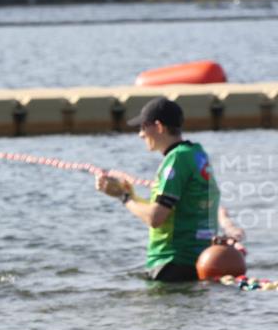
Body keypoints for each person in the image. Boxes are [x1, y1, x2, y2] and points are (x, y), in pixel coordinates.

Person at [96, 97, 225, 282]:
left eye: (142, 127)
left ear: (158, 127)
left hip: (172, 264)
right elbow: (173, 210)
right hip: (199, 262)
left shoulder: (176, 159)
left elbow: (155, 218)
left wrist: (123, 197)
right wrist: (132, 194)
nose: (140, 134)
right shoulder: (197, 153)